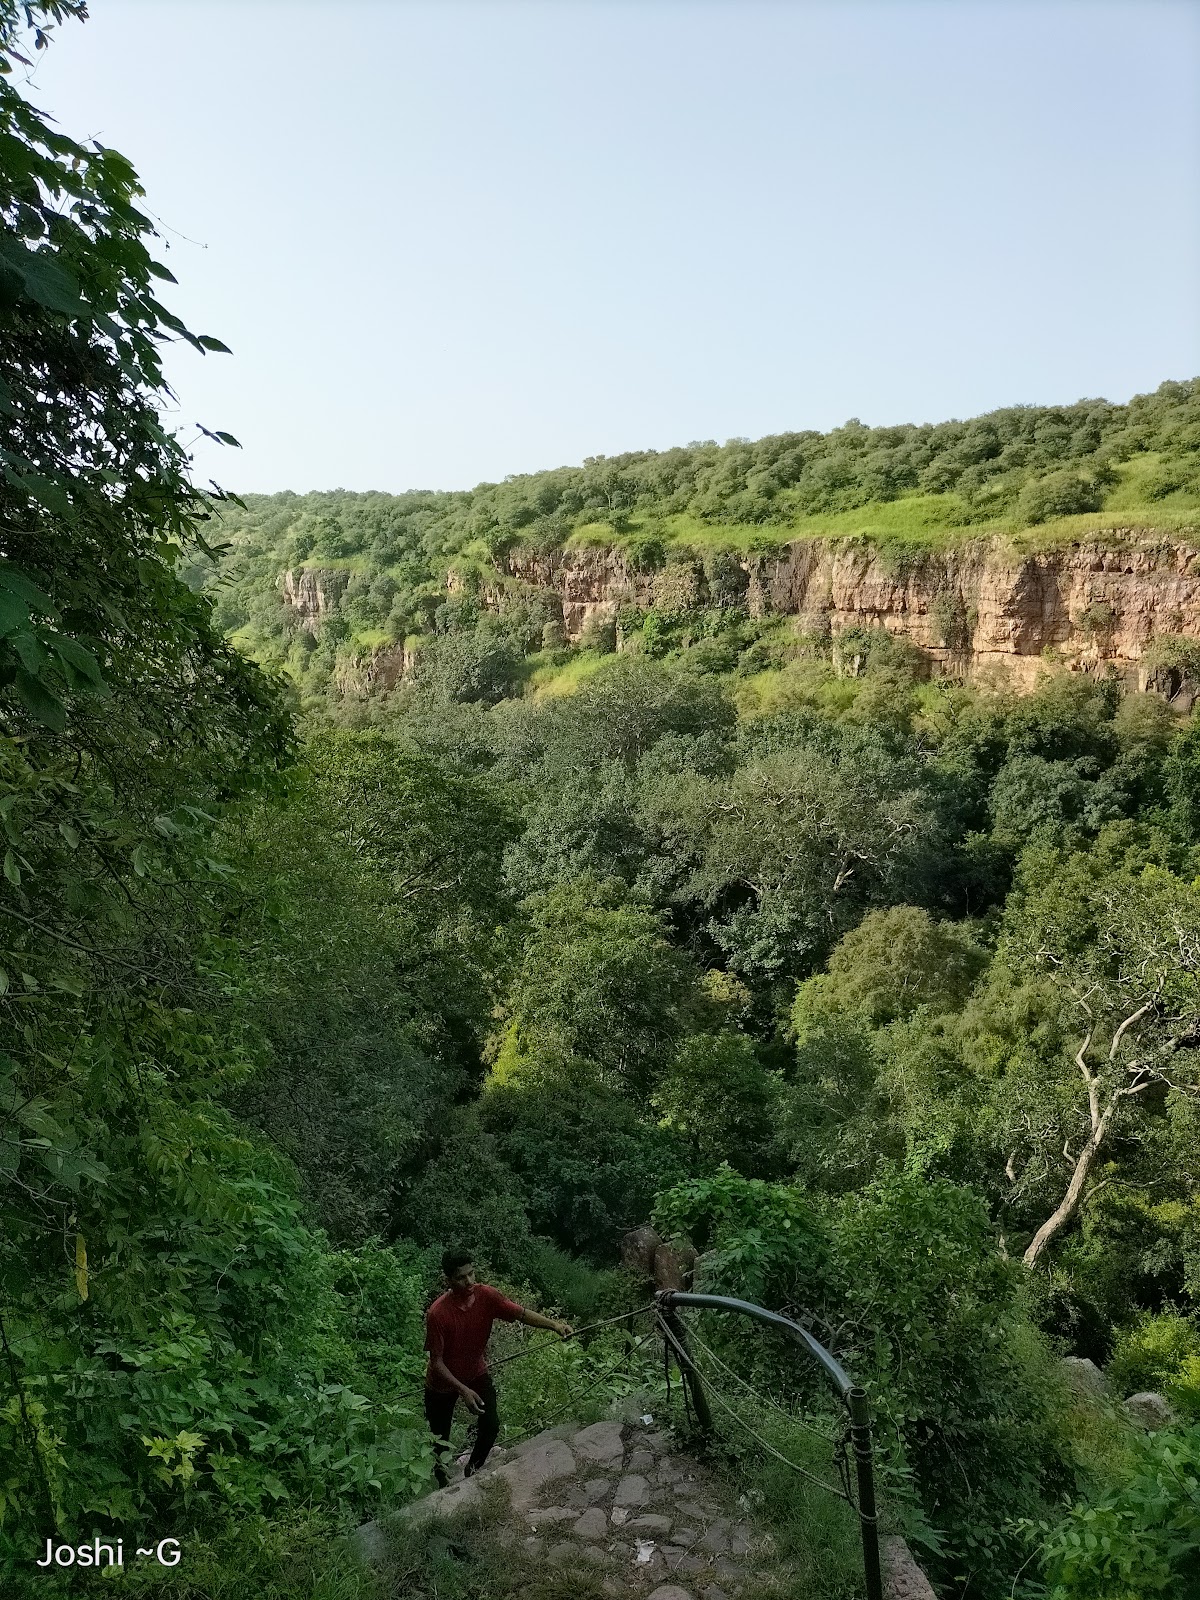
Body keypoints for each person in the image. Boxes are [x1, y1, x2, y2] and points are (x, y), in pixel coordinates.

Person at [423, 1246, 573, 1486]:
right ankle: (442, 1486)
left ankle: (472, 1472)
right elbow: (436, 1361)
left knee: (490, 1425)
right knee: (440, 1441)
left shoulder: (487, 1296)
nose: (470, 1281)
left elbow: (520, 1313)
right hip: (441, 1384)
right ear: (448, 1280)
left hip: (475, 1371)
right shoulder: (438, 1314)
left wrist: (554, 1325)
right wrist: (462, 1390)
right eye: (461, 1277)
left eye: (472, 1273)